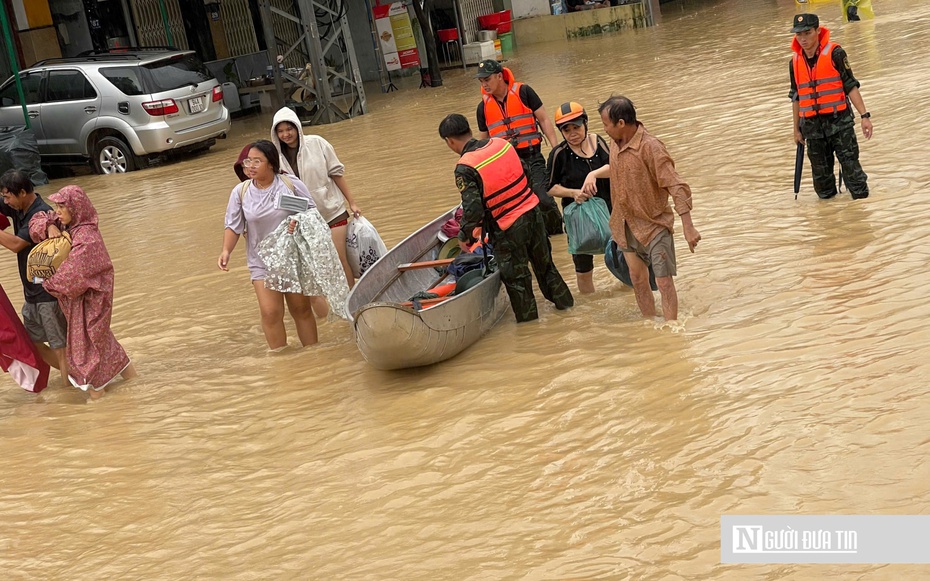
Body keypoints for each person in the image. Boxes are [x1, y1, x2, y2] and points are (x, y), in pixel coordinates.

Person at [439, 113, 573, 322]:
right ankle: (568, 309)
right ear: (470, 130)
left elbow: (473, 209)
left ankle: (531, 331)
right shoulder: (501, 144)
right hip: (533, 214)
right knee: (546, 267)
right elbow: (526, 172)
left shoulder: (464, 167)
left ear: (449, 141)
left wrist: (464, 236)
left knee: (518, 280)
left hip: (507, 228)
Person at [582, 96, 701, 322]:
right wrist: (594, 173)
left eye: (606, 124)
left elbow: (676, 185)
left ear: (621, 124)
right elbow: (618, 169)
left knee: (664, 282)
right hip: (626, 226)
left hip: (654, 225)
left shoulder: (651, 147)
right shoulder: (616, 146)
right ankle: (650, 324)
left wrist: (688, 227)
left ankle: (671, 327)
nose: (604, 129)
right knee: (637, 279)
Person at [29, 186, 136, 399]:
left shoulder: (87, 237)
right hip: (78, 302)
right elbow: (36, 220)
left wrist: (44, 281)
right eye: (56, 206)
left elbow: (71, 277)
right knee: (104, 343)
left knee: (85, 353)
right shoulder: (68, 225)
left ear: (75, 208)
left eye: (62, 206)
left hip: (92, 303)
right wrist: (49, 226)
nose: (57, 211)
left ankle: (99, 403)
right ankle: (133, 385)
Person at [219, 140, 325, 350]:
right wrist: (226, 251)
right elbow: (233, 225)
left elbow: (311, 212)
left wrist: (298, 220)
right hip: (261, 261)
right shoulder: (241, 192)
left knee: (301, 309)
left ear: (271, 163)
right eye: (248, 161)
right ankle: (281, 359)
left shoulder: (288, 185)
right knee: (270, 312)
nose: (251, 166)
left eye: (257, 161)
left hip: (292, 258)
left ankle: (313, 355)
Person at [269, 107, 362, 287]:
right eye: (280, 131)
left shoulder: (317, 143)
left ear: (298, 127)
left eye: (289, 129)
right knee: (319, 265)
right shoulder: (275, 156)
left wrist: (352, 202)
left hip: (332, 209)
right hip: (305, 218)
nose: (285, 134)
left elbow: (336, 174)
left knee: (339, 258)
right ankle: (335, 305)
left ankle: (353, 301)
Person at [474, 59, 564, 236]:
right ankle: (536, 236)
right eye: (481, 81)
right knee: (516, 209)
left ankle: (557, 234)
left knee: (543, 198)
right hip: (507, 167)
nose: (484, 84)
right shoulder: (482, 108)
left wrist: (556, 150)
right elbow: (483, 143)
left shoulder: (524, 92)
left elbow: (544, 120)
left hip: (532, 157)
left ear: (499, 76)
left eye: (487, 79)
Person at [789, 13, 872, 200]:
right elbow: (796, 97)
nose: (802, 38)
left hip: (840, 124)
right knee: (822, 185)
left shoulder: (836, 53)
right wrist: (796, 130)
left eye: (807, 32)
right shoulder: (794, 62)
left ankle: (861, 214)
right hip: (812, 129)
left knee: (854, 175)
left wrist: (864, 116)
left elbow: (850, 85)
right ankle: (830, 223)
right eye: (798, 34)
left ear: (818, 31)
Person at [0, 169, 69, 387]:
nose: (5, 202)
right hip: (31, 294)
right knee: (34, 343)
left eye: (8, 196)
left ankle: (71, 390)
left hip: (48, 294)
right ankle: (76, 376)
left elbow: (15, 245)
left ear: (22, 193)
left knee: (60, 348)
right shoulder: (18, 207)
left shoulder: (40, 215)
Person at [546, 102, 612, 294]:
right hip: (579, 217)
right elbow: (549, 188)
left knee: (622, 257)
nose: (573, 133)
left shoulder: (598, 141)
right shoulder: (559, 154)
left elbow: (615, 168)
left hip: (609, 210)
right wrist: (573, 193)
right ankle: (590, 306)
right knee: (583, 267)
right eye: (567, 130)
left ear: (585, 123)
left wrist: (594, 174)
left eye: (577, 127)